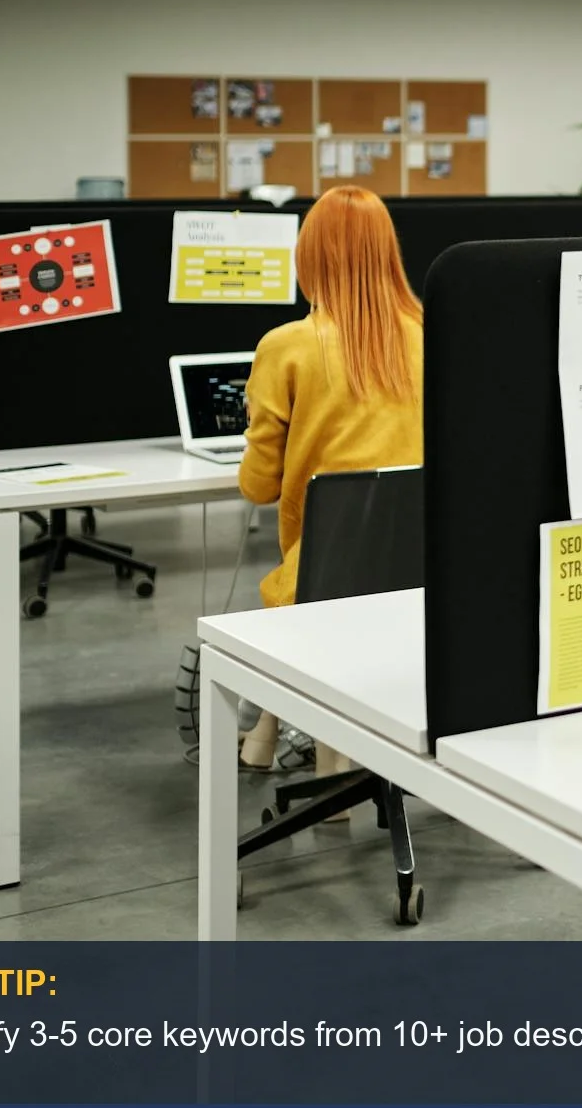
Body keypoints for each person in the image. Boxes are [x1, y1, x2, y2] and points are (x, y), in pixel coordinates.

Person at [234, 186, 425, 772]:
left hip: (323, 579)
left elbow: (258, 487)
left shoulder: (287, 347)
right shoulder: (432, 335)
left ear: (310, 257)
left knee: (306, 592)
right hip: (422, 571)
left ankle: (327, 777)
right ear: (387, 253)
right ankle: (267, 741)